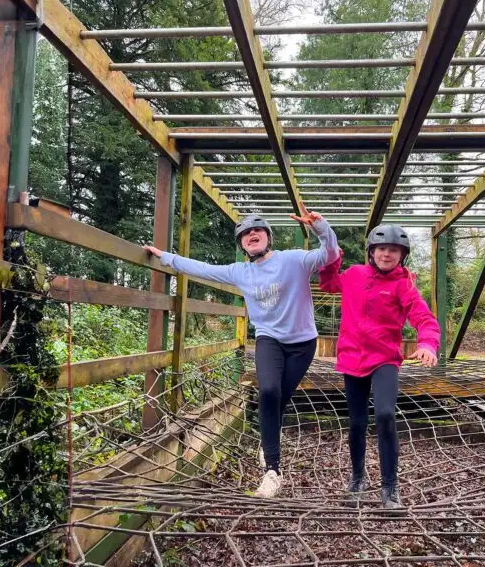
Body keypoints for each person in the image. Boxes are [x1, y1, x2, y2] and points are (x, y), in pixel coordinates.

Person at [144, 202, 339, 499]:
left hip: (302, 343)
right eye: (246, 233)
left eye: (258, 230)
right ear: (242, 244)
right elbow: (203, 269)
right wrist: (166, 257)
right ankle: (273, 471)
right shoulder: (239, 272)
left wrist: (320, 227)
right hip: (268, 339)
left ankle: (267, 442)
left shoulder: (294, 260)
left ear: (268, 237)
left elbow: (330, 255)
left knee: (280, 399)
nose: (252, 235)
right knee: (269, 392)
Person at [318, 224, 439, 511]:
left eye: (394, 250)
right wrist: (333, 255)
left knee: (385, 414)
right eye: (382, 248)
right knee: (357, 422)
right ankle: (358, 478)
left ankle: (390, 488)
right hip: (351, 358)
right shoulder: (355, 275)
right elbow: (328, 282)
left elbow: (424, 318)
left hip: (385, 358)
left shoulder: (403, 284)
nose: (387, 254)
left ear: (402, 256)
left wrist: (427, 345)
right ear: (372, 252)